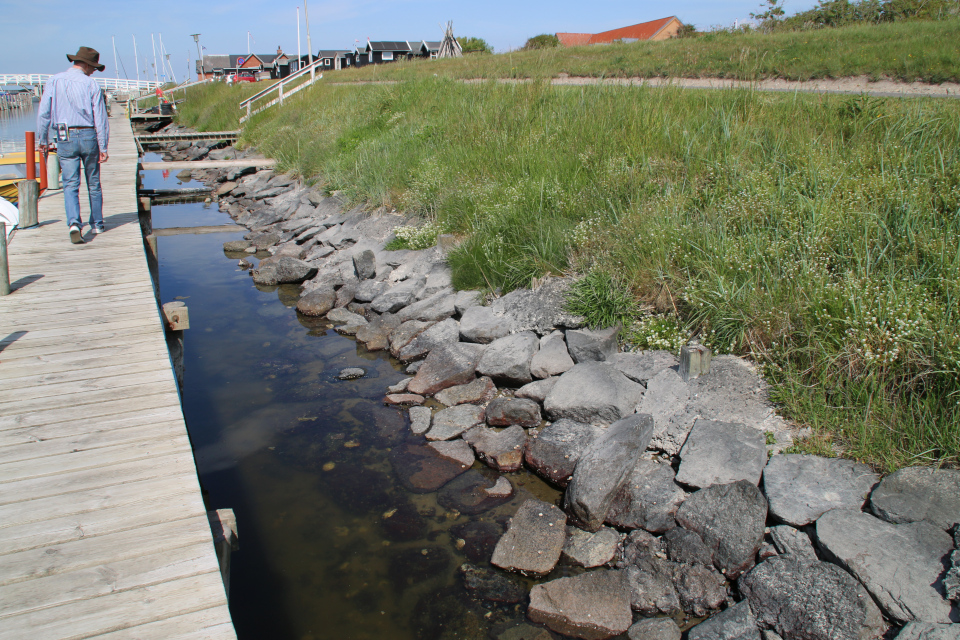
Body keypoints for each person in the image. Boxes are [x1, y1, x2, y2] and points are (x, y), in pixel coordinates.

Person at [36, 46, 110, 244]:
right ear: (85, 64)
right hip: (88, 135)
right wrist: (103, 146)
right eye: (93, 66)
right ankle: (97, 223)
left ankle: (74, 224)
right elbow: (100, 118)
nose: (94, 70)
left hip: (64, 135)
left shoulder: (55, 80)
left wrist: (42, 140)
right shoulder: (92, 85)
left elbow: (44, 113)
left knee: (70, 183)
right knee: (93, 182)